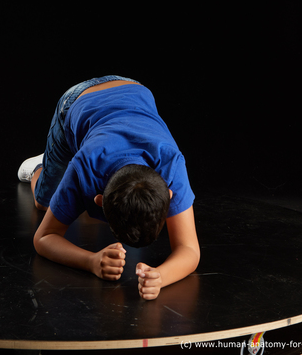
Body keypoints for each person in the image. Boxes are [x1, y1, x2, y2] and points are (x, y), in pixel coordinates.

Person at [18, 75, 199, 300]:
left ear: (169, 194)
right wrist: (91, 261)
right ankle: (38, 166)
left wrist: (161, 276)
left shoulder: (171, 165)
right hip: (78, 99)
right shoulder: (84, 167)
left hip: (134, 89)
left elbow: (190, 250)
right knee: (43, 203)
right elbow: (43, 237)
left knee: (79, 213)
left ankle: (72, 196)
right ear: (99, 200)